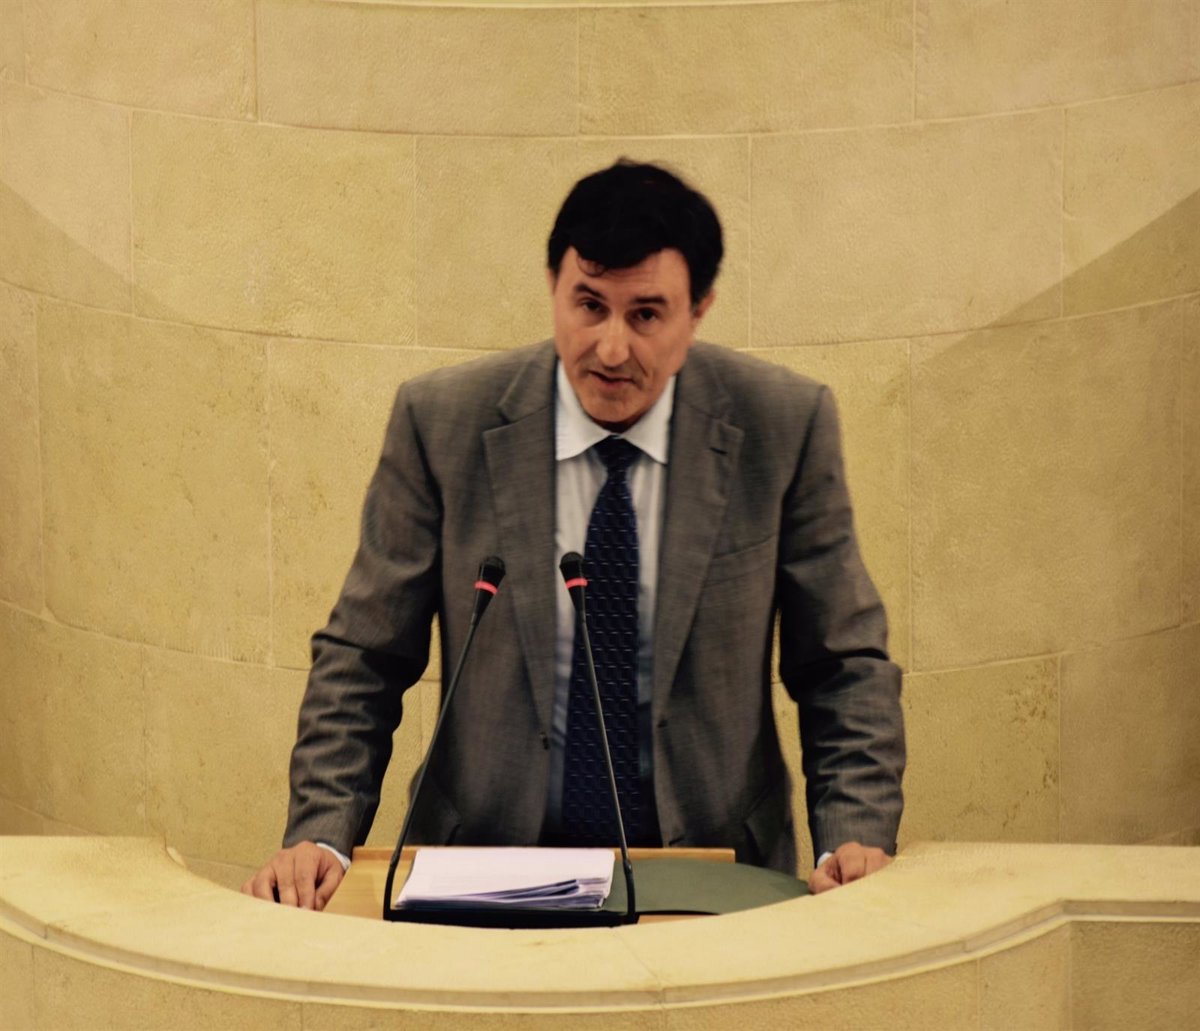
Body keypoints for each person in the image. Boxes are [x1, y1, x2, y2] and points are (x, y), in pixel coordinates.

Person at [243, 160, 905, 910]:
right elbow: (365, 656)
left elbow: (843, 665)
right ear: (553, 287)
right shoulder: (443, 422)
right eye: (589, 305)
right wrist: (323, 834)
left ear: (699, 311)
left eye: (646, 315)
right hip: (484, 864)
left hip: (712, 866)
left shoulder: (781, 425)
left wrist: (852, 835)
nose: (611, 348)